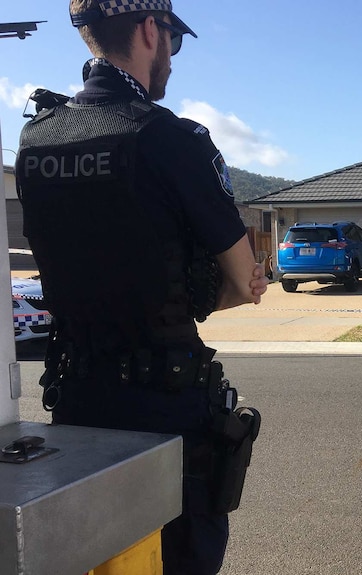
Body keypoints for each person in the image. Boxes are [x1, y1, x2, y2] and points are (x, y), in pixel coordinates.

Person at [14, 1, 268, 573]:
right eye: (173, 45)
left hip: (76, 402)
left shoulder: (36, 141)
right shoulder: (167, 137)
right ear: (151, 30)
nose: (172, 61)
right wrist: (211, 288)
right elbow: (239, 281)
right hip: (166, 409)